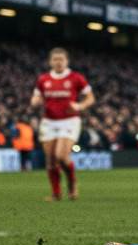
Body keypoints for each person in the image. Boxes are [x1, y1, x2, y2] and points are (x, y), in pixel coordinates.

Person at [30, 47, 94, 201]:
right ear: (50, 62)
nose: (58, 62)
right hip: (49, 122)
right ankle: (56, 193)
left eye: (61, 59)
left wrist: (80, 106)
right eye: (55, 59)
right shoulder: (43, 79)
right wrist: (35, 102)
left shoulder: (76, 78)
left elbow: (90, 97)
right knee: (51, 159)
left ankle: (72, 184)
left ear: (67, 61)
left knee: (61, 155)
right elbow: (35, 98)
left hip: (70, 121)